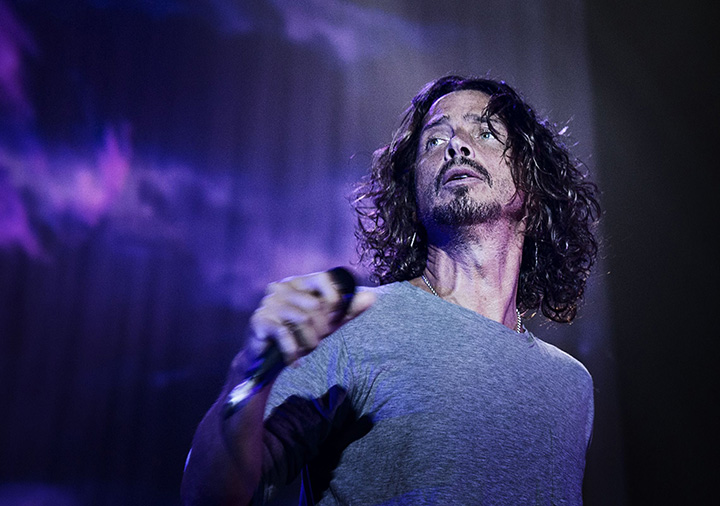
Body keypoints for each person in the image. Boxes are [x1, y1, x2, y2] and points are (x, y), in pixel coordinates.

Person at [181, 75, 601, 505]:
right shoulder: (357, 324)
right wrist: (248, 375)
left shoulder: (571, 384)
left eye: (486, 132)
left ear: (533, 186)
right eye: (434, 141)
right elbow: (212, 497)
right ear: (413, 197)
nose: (456, 146)